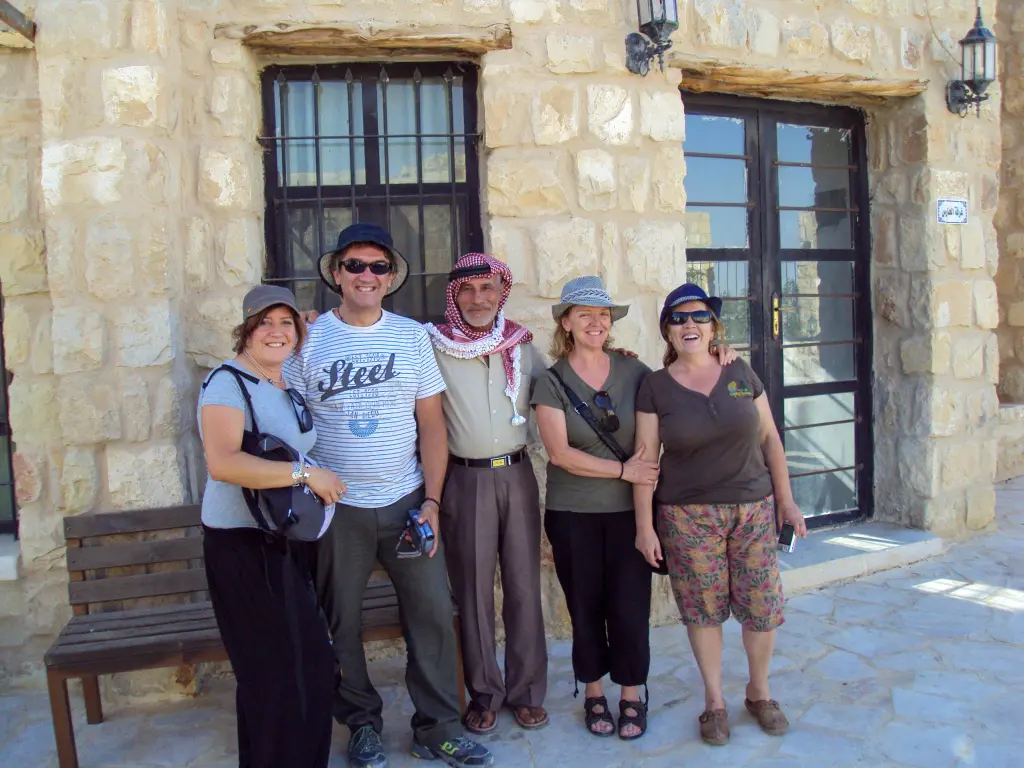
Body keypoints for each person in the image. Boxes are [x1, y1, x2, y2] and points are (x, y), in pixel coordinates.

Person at [284, 222, 493, 768]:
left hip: (406, 503)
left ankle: (438, 728)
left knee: (431, 614)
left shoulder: (411, 336)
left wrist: (432, 502)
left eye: (378, 267)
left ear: (390, 277)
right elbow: (287, 422)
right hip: (337, 509)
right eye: (355, 265)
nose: (367, 275)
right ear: (337, 274)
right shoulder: (308, 341)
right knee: (341, 623)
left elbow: (432, 424)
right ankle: (361, 725)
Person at [633, 283, 808, 746]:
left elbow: (770, 438)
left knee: (762, 608)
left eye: (699, 317)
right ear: (668, 330)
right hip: (687, 516)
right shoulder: (655, 387)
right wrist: (645, 527)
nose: (689, 325)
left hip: (754, 509)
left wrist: (787, 501)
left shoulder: (739, 371)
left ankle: (759, 692)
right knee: (703, 611)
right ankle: (714, 701)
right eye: (678, 318)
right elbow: (645, 460)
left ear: (713, 327)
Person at [198, 284, 347, 768]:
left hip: (284, 541)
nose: (276, 332)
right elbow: (223, 462)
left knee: (304, 666)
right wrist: (306, 474)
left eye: (286, 323)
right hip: (243, 547)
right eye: (264, 322)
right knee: (276, 674)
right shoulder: (227, 383)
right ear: (245, 330)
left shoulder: (283, 384)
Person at [424, 253, 549, 735]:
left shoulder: (522, 346)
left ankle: (527, 691)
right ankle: (485, 692)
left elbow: (562, 389)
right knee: (473, 590)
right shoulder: (433, 345)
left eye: (488, 289)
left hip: (517, 476)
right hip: (465, 481)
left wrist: (614, 359)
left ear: (501, 293)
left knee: (524, 587)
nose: (479, 299)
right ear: (454, 296)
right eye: (468, 290)